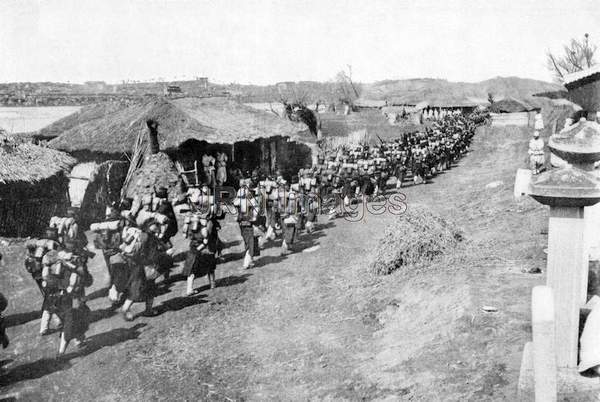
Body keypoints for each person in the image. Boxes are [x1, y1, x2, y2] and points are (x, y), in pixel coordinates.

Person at [183, 211, 217, 295]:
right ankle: (211, 283)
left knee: (192, 269)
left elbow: (185, 236)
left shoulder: (191, 227)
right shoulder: (203, 228)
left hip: (195, 249)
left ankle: (190, 289)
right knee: (208, 265)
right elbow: (205, 240)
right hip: (200, 249)